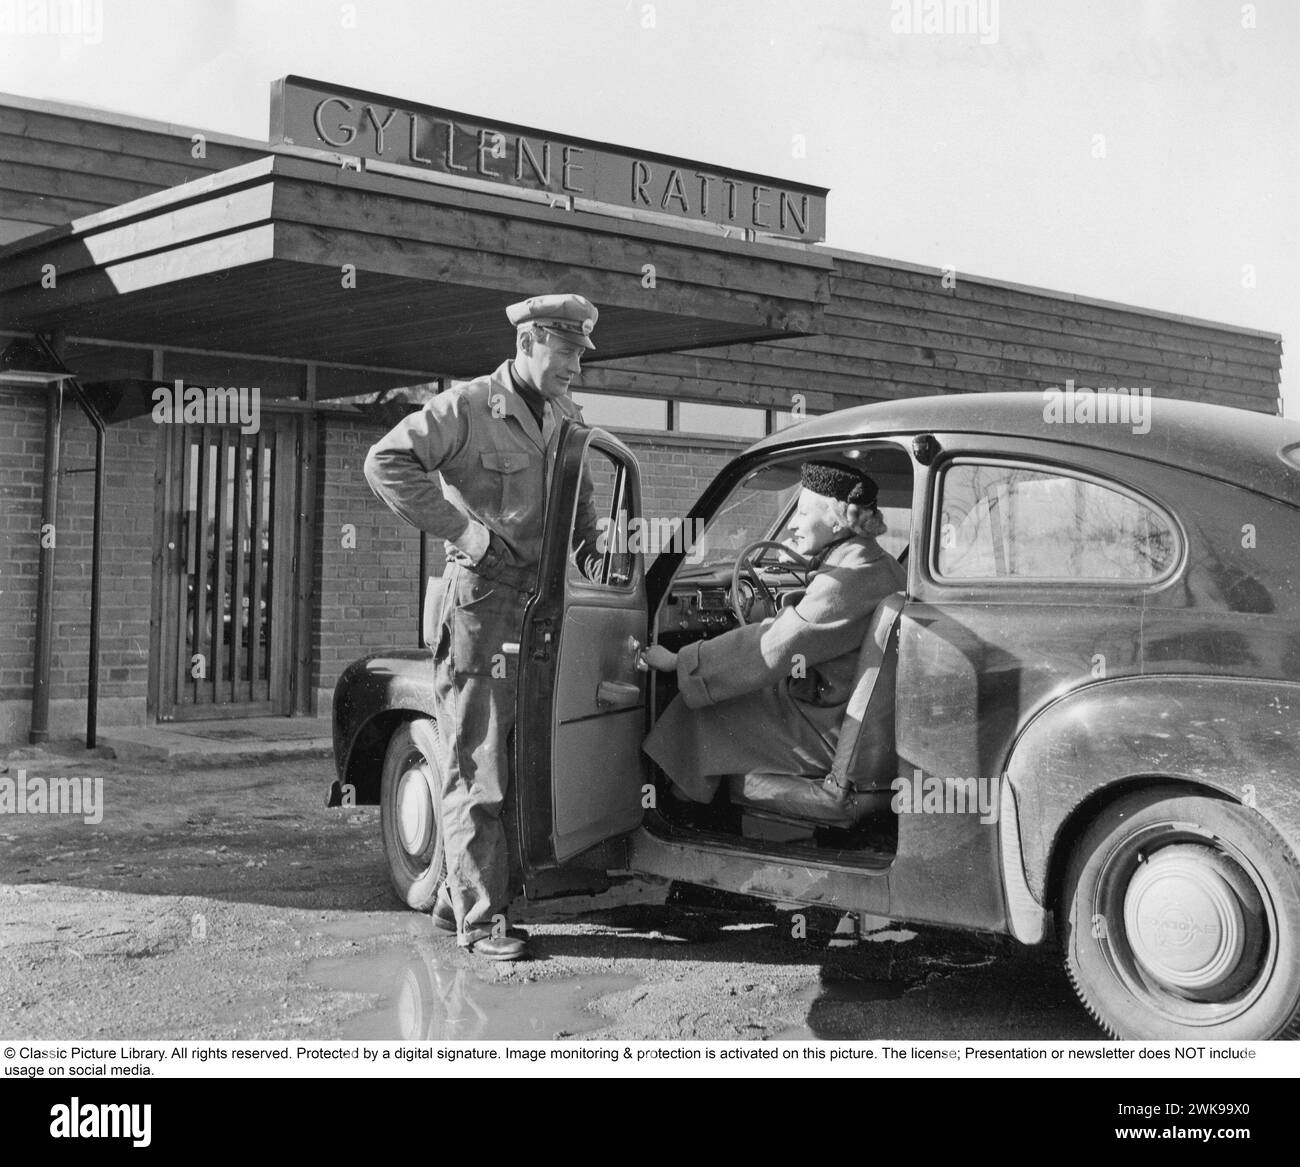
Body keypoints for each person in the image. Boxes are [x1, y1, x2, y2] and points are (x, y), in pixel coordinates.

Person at [364, 293, 601, 960]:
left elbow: (581, 504)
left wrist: (599, 562)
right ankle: (480, 917)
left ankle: (452, 897)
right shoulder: (469, 406)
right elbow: (386, 461)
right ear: (528, 342)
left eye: (581, 354)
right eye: (565, 351)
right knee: (479, 758)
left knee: (521, 750)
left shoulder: (562, 414)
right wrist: (467, 531)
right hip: (481, 603)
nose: (575, 366)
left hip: (539, 603)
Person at [640, 461, 905, 817]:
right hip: (844, 717)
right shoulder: (877, 564)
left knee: (702, 708)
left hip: (828, 729)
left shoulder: (849, 576)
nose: (793, 523)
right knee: (730, 695)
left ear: (838, 519)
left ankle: (679, 819)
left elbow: (778, 645)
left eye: (804, 511)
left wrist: (680, 661)